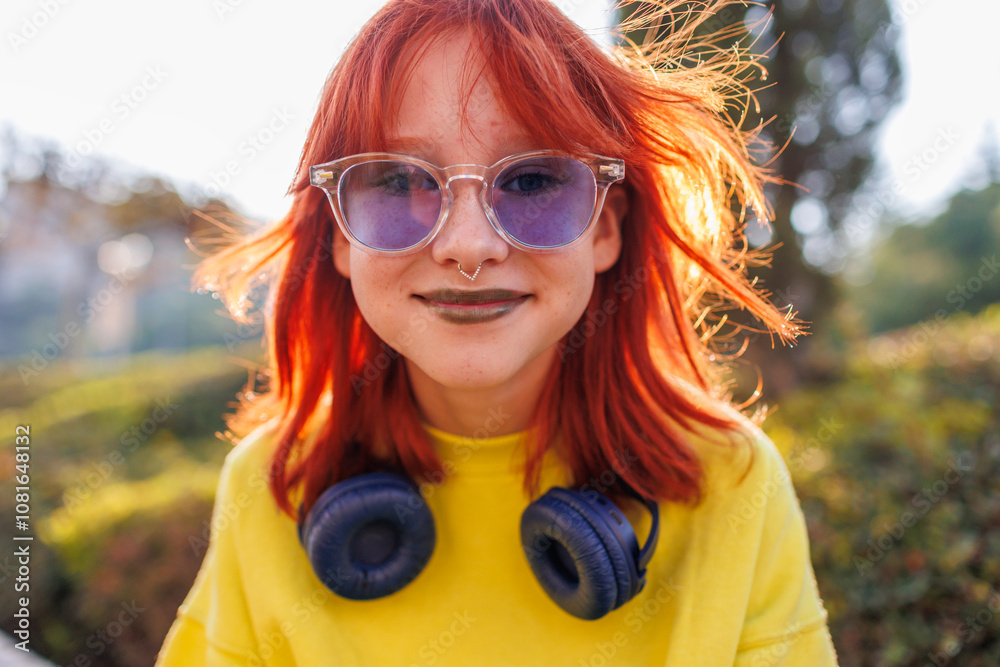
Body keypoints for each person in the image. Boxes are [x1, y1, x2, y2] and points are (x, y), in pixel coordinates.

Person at [156, 0, 838, 664]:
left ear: (605, 227)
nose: (469, 244)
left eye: (534, 179)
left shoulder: (734, 483)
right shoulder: (269, 486)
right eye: (398, 181)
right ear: (339, 233)